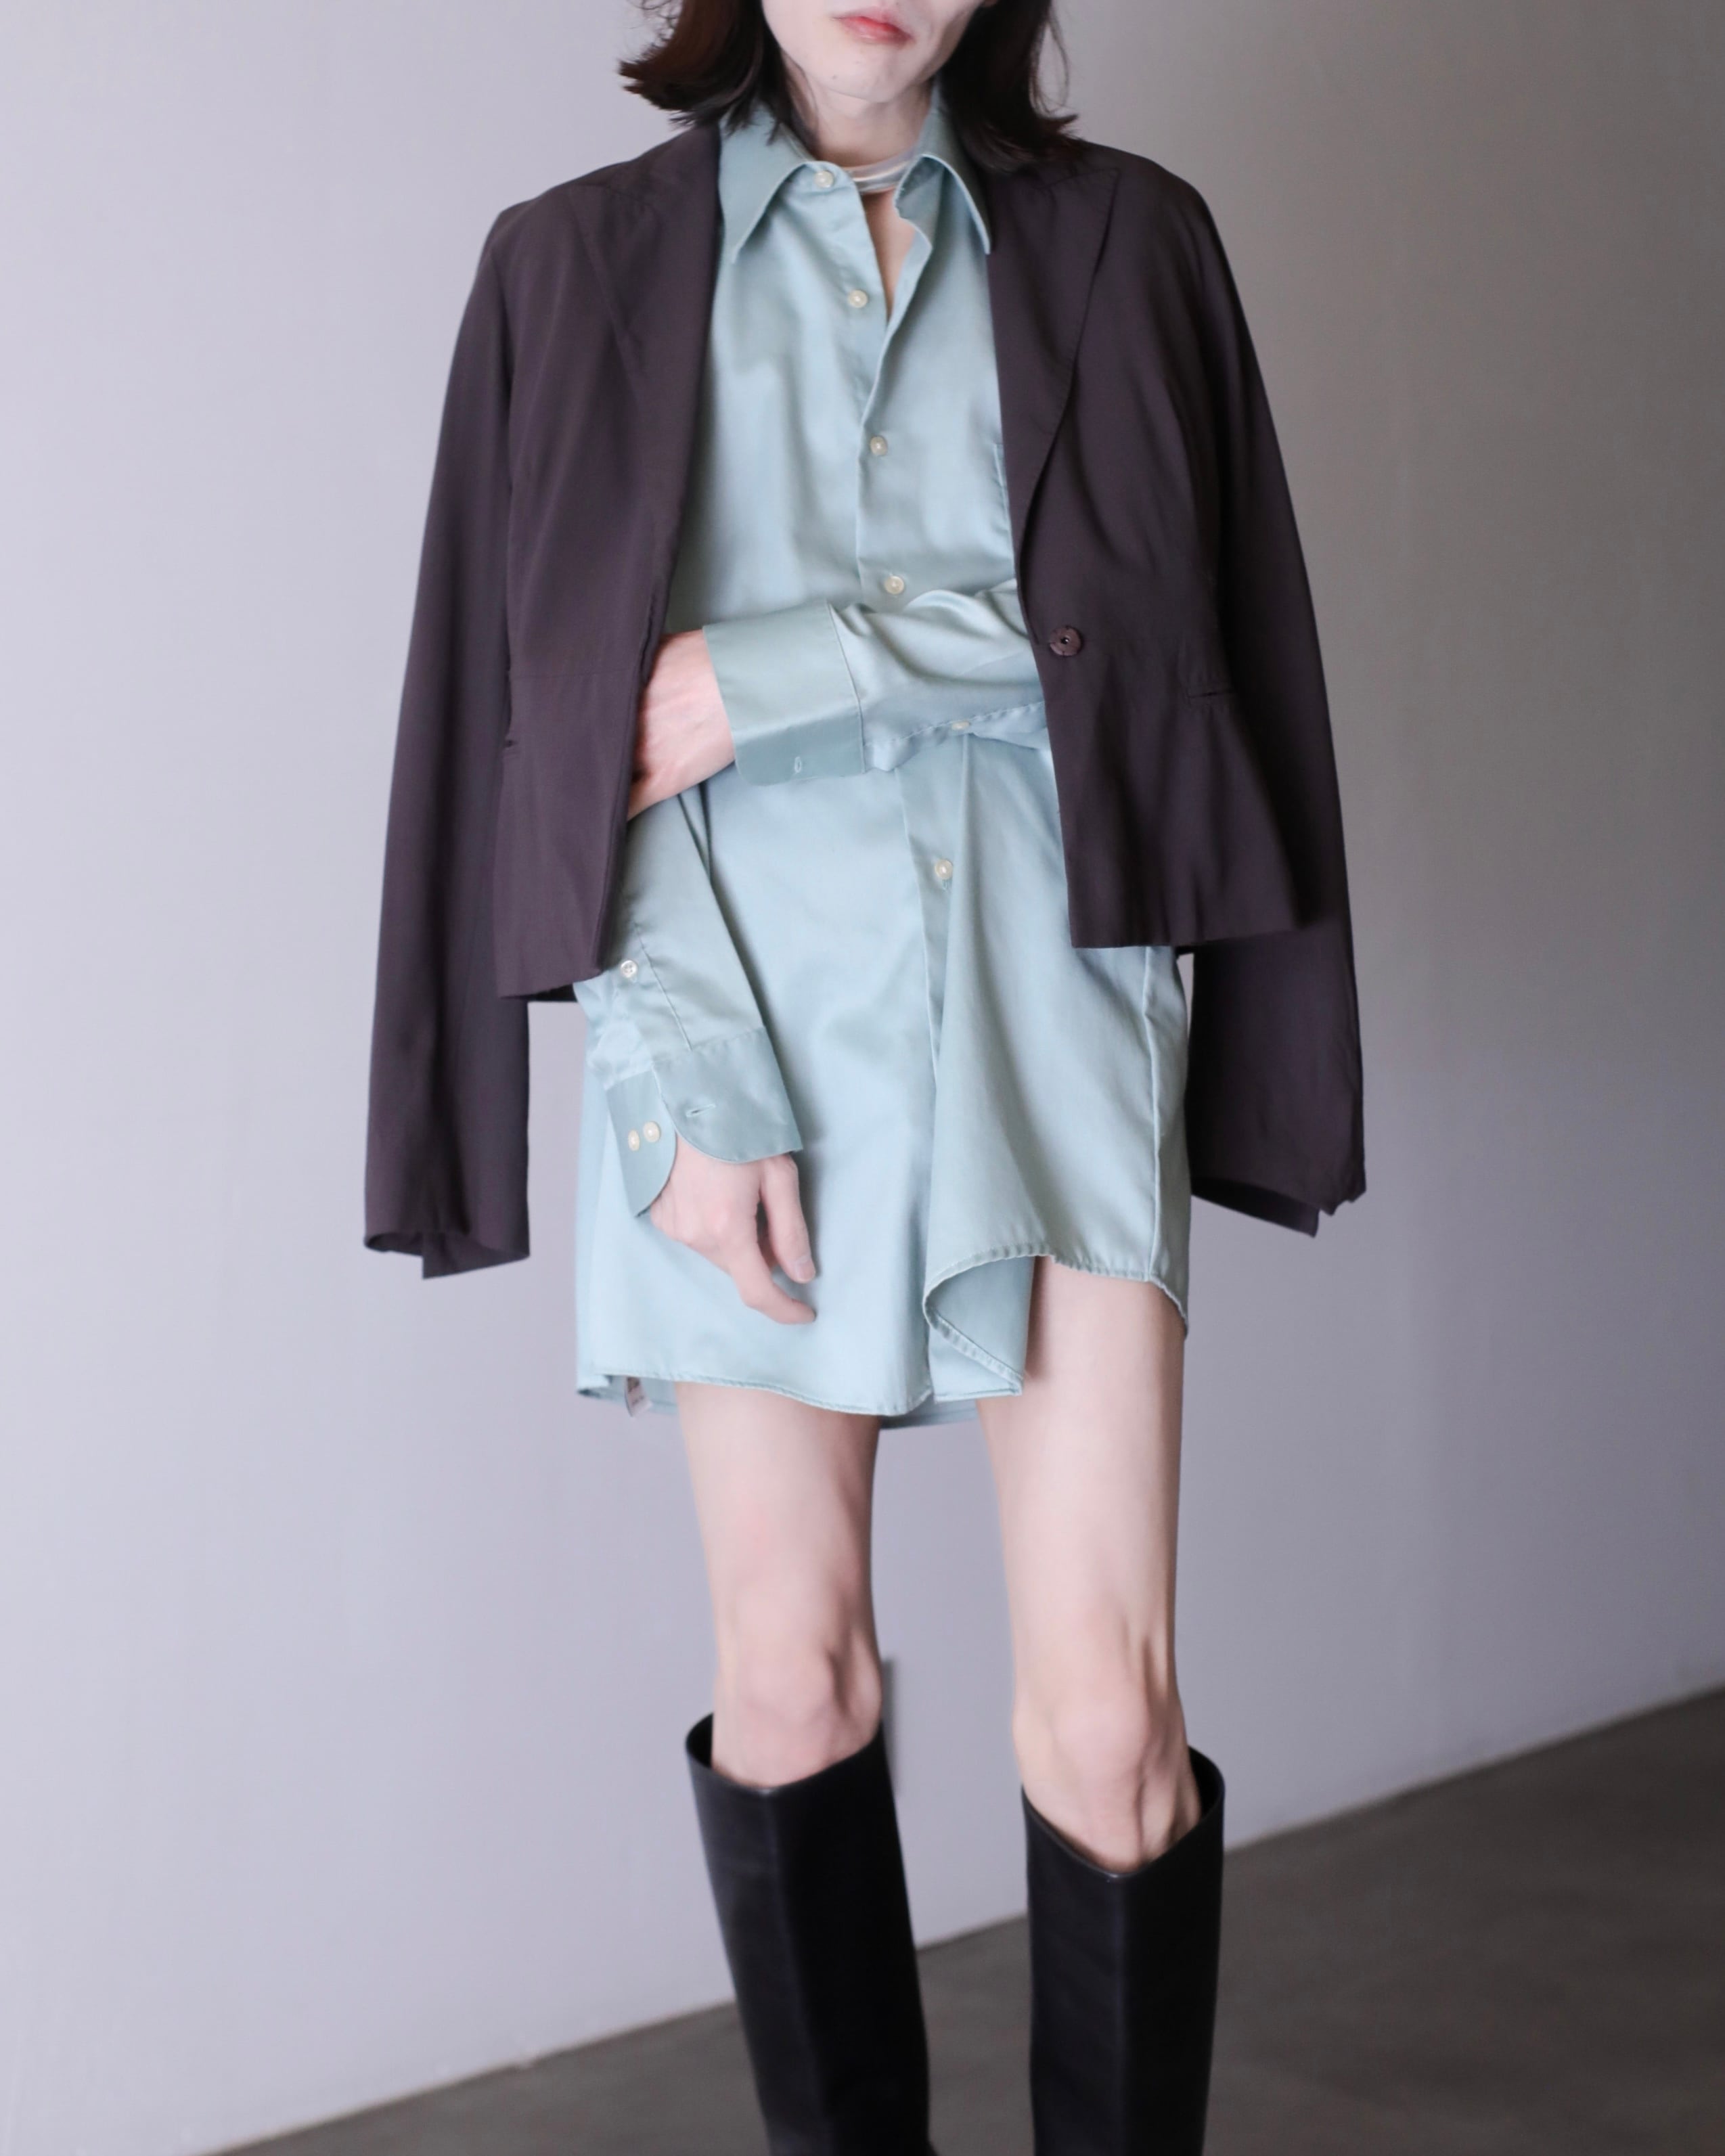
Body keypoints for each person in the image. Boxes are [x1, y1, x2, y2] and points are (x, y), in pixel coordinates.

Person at [364, 2, 1365, 2148]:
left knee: (1113, 1732)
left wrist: (772, 671)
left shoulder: (1133, 245)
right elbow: (556, 728)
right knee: (793, 1678)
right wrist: (675, 1077)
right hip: (734, 1030)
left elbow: (1151, 644)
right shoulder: (569, 268)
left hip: (1056, 1012)